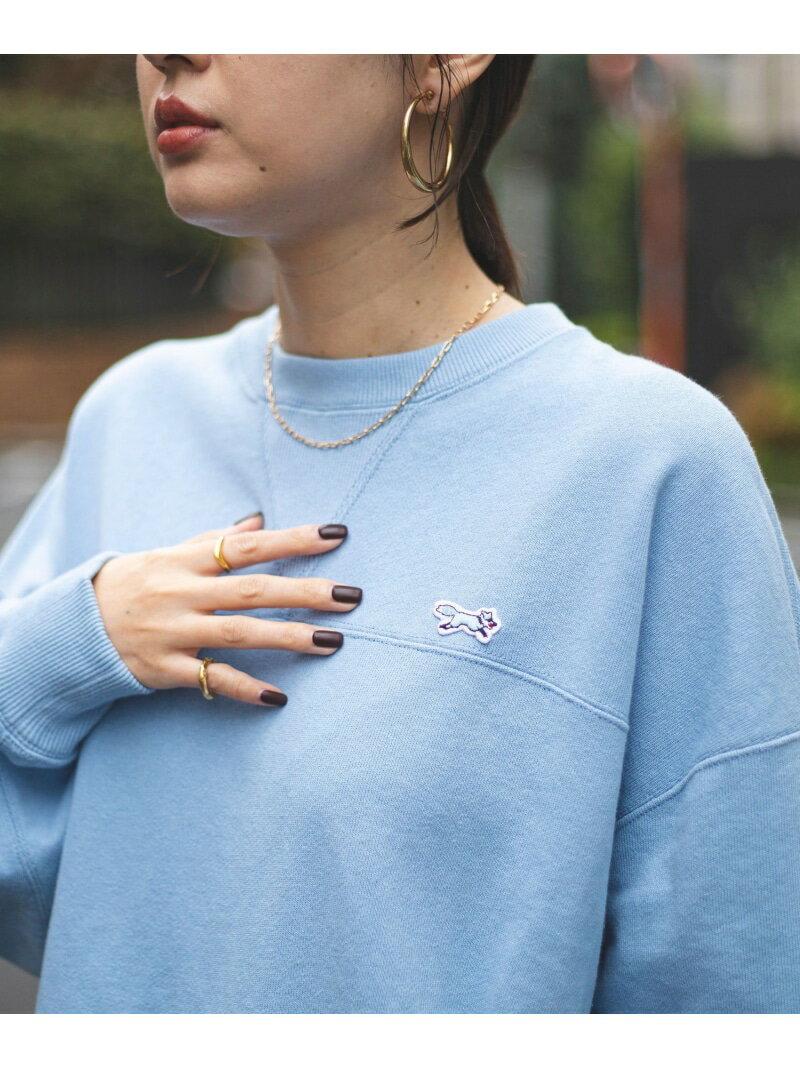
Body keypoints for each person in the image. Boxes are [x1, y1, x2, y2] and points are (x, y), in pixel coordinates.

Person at [0, 54, 798, 1014]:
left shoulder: (648, 461)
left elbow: (731, 982)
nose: (169, 45)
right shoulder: (131, 414)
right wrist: (71, 640)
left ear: (445, 55)